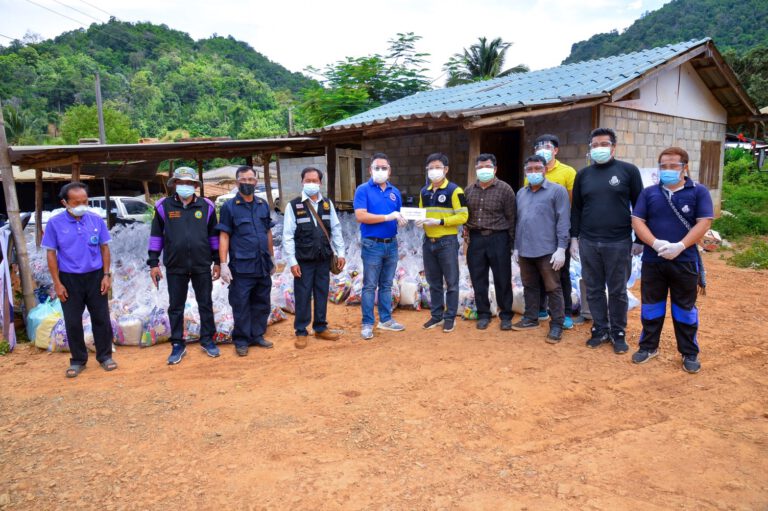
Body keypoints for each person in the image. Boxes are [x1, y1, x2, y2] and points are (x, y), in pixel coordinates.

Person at [630, 147, 713, 373]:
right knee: (651, 306)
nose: (667, 170)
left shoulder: (698, 192)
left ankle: (689, 352)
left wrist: (680, 246)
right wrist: (655, 243)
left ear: (685, 167)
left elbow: (704, 222)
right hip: (653, 260)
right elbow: (637, 221)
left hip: (684, 260)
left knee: (684, 308)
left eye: (673, 166)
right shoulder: (649, 193)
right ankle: (648, 347)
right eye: (663, 166)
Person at [570, 128, 644, 354]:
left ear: (614, 147)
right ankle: (600, 328)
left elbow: (640, 206)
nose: (598, 148)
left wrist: (639, 239)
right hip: (589, 242)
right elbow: (577, 209)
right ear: (590, 148)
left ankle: (618, 331)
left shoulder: (628, 171)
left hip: (619, 242)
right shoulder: (583, 175)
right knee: (592, 289)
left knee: (617, 290)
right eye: (594, 145)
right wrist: (574, 237)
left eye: (604, 144)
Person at [42, 182, 117, 378]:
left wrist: (106, 275)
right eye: (76, 202)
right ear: (64, 202)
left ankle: (105, 356)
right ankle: (78, 360)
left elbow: (105, 248)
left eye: (85, 201)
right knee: (73, 321)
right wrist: (57, 283)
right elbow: (51, 254)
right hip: (69, 280)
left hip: (96, 277)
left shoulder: (95, 220)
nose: (82, 205)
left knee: (101, 318)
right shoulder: (55, 223)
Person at [148, 167, 221, 365]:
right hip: (175, 265)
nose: (185, 187)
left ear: (195, 186)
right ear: (174, 185)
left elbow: (213, 236)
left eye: (189, 183)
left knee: (205, 303)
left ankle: (208, 339)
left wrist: (217, 261)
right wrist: (153, 262)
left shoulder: (207, 206)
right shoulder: (164, 206)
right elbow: (156, 236)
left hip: (201, 264)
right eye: (181, 183)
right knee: (176, 306)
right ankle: (178, 344)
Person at [283, 167, 346, 349]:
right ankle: (301, 331)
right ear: (302, 182)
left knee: (321, 293)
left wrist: (340, 252)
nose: (311, 183)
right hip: (303, 260)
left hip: (323, 258)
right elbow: (288, 235)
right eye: (308, 180)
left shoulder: (327, 204)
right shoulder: (294, 206)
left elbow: (336, 228)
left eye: (315, 180)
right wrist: (292, 262)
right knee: (303, 295)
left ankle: (320, 327)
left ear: (320, 183)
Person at [217, 165, 276, 356]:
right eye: (243, 180)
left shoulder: (262, 204)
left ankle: (257, 335)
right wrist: (223, 263)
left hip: (262, 264)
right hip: (242, 266)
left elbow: (267, 232)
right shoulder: (229, 207)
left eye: (250, 180)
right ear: (237, 183)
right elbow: (224, 235)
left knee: (262, 302)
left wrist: (272, 256)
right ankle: (241, 340)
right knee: (241, 304)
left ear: (256, 182)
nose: (247, 183)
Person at [512, 155, 571, 342]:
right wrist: (515, 247)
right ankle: (531, 317)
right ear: (525, 171)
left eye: (538, 168)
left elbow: (563, 221)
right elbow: (518, 221)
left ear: (545, 170)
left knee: (553, 287)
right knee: (529, 285)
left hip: (548, 249)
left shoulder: (557, 191)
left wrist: (562, 248)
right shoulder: (521, 193)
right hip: (525, 249)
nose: (534, 172)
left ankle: (557, 325)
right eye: (529, 169)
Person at [353, 152, 408, 340]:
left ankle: (386, 320)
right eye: (377, 167)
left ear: (389, 171)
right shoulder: (363, 190)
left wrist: (403, 219)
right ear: (370, 170)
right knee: (369, 286)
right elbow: (360, 216)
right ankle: (367, 323)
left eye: (384, 168)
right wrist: (387, 217)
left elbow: (399, 213)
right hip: (372, 245)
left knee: (386, 284)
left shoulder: (395, 192)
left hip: (391, 244)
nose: (380, 171)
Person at [528, 134, 579, 328]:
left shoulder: (567, 172)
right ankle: (541, 309)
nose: (543, 150)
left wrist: (571, 236)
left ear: (555, 150)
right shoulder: (532, 173)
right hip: (537, 233)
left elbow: (573, 204)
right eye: (538, 147)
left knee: (561, 273)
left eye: (547, 147)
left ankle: (565, 313)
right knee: (538, 271)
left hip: (558, 232)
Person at [416, 153, 468, 333]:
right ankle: (436, 316)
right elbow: (421, 212)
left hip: (447, 242)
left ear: (446, 169)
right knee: (433, 282)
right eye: (430, 168)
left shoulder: (455, 191)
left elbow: (463, 216)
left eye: (437, 167)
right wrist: (418, 220)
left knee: (451, 282)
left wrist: (440, 222)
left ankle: (450, 317)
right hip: (428, 242)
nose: (433, 171)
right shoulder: (424, 191)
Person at [464, 153, 516, 330]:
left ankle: (506, 315)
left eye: (487, 167)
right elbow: (465, 217)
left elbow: (512, 218)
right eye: (479, 167)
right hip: (476, 239)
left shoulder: (505, 189)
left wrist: (511, 244)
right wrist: (466, 241)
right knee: (478, 279)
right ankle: (484, 314)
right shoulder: (469, 190)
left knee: (502, 278)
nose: (483, 170)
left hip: (498, 238)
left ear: (495, 169)